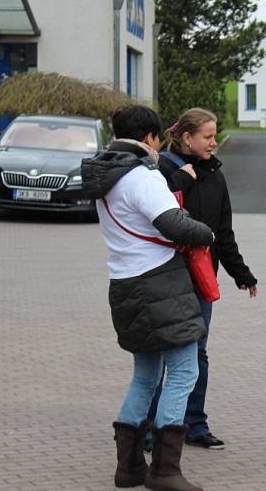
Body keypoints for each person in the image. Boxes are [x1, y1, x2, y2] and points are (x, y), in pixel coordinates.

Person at [81, 105, 212, 491]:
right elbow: (172, 223)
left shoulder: (105, 175)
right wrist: (206, 233)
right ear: (150, 138)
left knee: (145, 376)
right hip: (159, 284)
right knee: (184, 370)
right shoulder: (142, 175)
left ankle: (129, 469)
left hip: (123, 283)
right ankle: (165, 471)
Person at [144, 108, 258, 451]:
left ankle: (194, 424)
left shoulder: (215, 175)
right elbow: (151, 217)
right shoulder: (161, 171)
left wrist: (241, 273)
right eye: (207, 136)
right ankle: (150, 427)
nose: (213, 142)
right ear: (186, 138)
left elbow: (222, 231)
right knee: (166, 354)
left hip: (202, 276)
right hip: (167, 277)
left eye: (214, 135)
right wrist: (180, 180)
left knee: (198, 352)